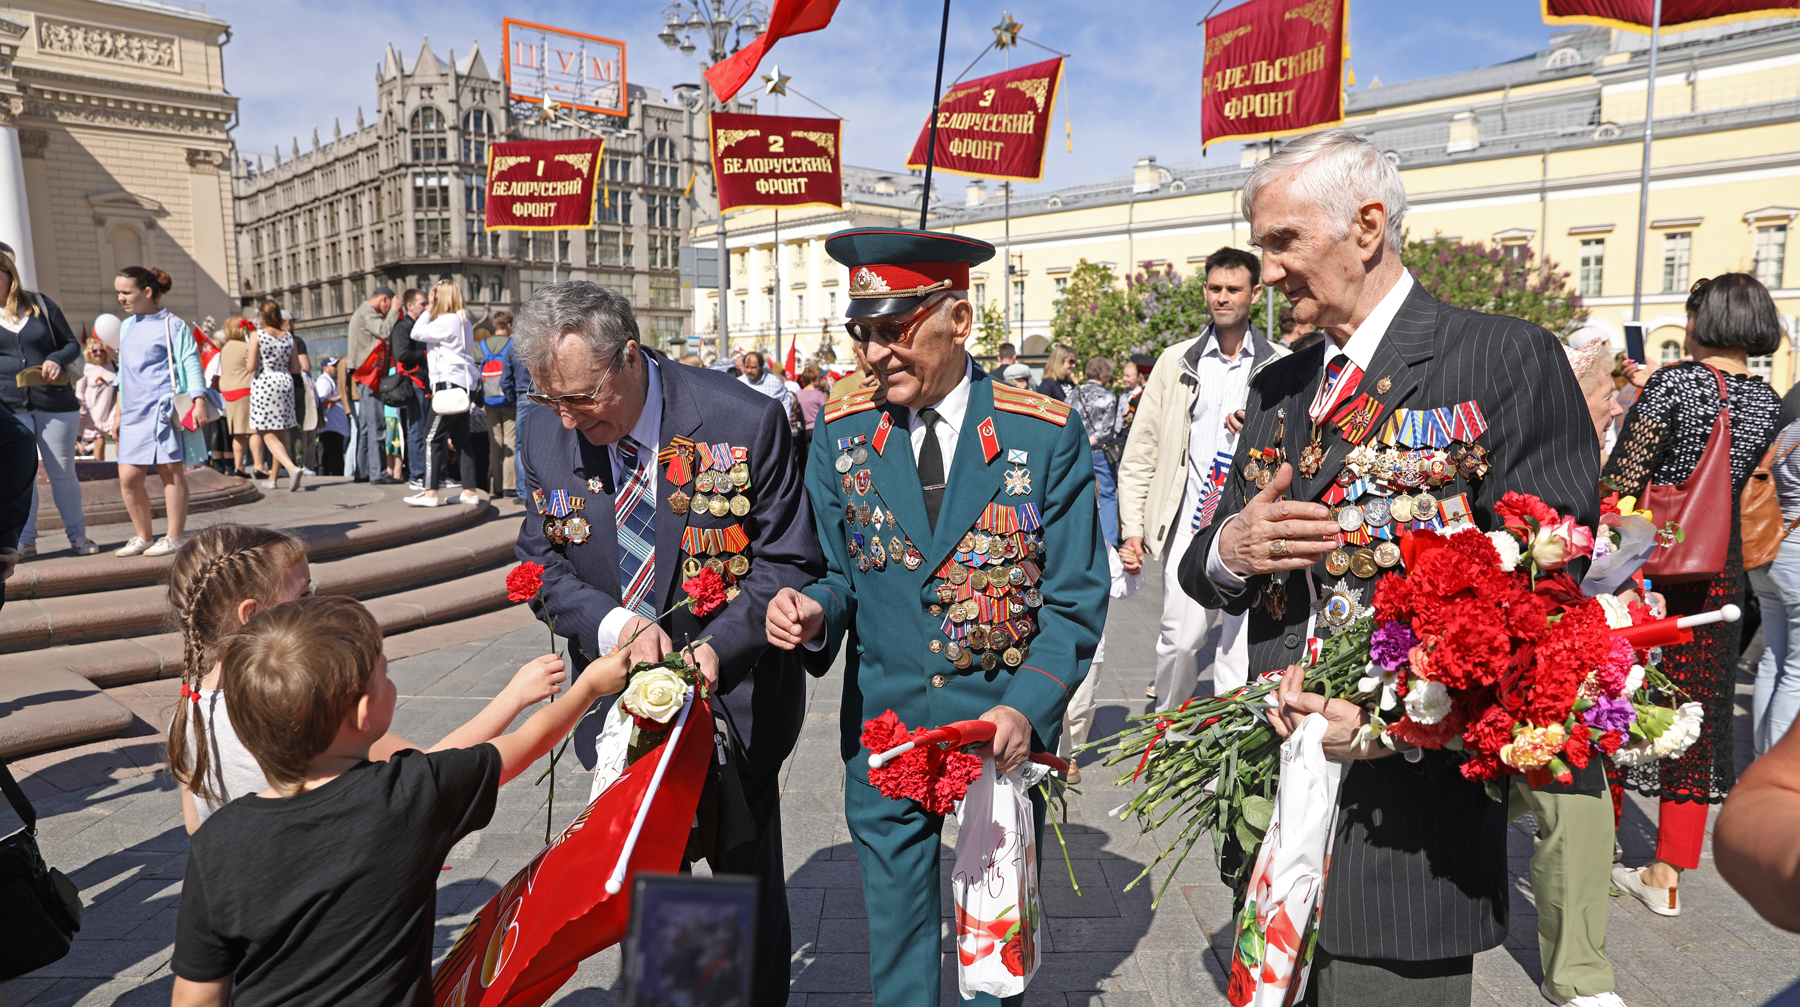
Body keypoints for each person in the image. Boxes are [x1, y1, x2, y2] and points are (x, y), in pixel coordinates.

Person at [1179, 129, 1599, 1005]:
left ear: (1367, 226)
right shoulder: (1278, 386)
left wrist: (1381, 726)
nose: (1269, 269)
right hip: (1275, 792)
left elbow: (1542, 602)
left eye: (1284, 241)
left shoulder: (1502, 357)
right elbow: (1204, 562)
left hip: (1407, 833)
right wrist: (1231, 547)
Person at [766, 227, 1107, 1007]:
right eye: (864, 334)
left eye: (896, 330)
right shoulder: (844, 433)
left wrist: (1027, 707)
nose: (877, 353)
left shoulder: (1041, 433)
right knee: (899, 954)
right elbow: (836, 573)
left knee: (992, 955)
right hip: (887, 728)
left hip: (999, 733)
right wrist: (811, 611)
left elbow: (1075, 597)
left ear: (958, 320)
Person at [512, 281, 824, 1006]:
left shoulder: (742, 420)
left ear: (628, 358)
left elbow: (788, 561)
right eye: (547, 398)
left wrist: (718, 645)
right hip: (623, 718)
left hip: (736, 709)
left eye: (581, 397)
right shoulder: (543, 435)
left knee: (744, 899)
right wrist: (618, 627)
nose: (565, 417)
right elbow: (542, 564)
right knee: (656, 901)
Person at [169, 594, 623, 1007]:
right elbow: (526, 744)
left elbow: (196, 996)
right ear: (365, 712)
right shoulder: (410, 794)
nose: (390, 683)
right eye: (384, 674)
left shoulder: (217, 841)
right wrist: (589, 689)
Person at [163, 523, 572, 831]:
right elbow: (430, 770)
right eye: (304, 595)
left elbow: (198, 826)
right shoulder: (300, 704)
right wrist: (515, 696)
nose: (316, 602)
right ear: (253, 615)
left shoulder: (191, 705)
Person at [1604, 273, 1783, 916]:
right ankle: (1668, 874)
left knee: (1620, 694)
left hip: (1654, 558)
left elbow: (1624, 476)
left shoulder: (1674, 382)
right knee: (1697, 711)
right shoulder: (1766, 398)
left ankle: (1598, 851)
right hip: (1722, 566)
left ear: (1702, 320)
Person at [1496, 337, 1626, 1007]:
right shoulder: (1530, 443)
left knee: (1575, 784)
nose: (1616, 405)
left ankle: (1578, 974)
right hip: (1493, 638)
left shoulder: (1589, 450)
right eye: (1608, 395)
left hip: (1557, 646)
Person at [1117, 246, 1282, 708]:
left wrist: (1260, 427)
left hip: (1253, 529)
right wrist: (1132, 529)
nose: (1222, 298)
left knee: (1235, 651)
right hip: (1192, 527)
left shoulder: (1282, 363)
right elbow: (1141, 451)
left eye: (1233, 289)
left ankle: (1222, 749)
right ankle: (1168, 727)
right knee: (1181, 642)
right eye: (1215, 288)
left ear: (1254, 292)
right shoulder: (1175, 362)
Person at [0, 244, 91, 556]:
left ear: (8, 276)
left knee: (63, 470)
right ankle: (24, 540)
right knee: (22, 473)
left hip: (54, 401)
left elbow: (71, 344)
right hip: (9, 405)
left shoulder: (40, 305)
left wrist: (54, 358)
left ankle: (78, 536)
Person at [111, 266, 203, 558]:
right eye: (118, 292)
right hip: (134, 412)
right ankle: (144, 536)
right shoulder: (127, 326)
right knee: (128, 477)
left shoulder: (173, 324)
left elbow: (191, 362)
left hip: (163, 410)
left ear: (146, 292)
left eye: (126, 292)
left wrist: (198, 400)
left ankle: (174, 537)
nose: (120, 298)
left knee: (170, 472)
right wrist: (118, 412)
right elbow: (123, 375)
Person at [404, 282, 480, 507]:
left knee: (430, 437)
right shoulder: (464, 320)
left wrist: (428, 309)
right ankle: (469, 490)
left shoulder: (447, 321)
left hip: (449, 385)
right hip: (465, 385)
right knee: (461, 439)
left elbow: (416, 332)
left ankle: (430, 492)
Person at [1751, 415, 1800, 757]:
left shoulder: (1791, 429)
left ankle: (1758, 768)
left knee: (1774, 659)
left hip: (1767, 550)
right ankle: (1774, 782)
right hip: (1795, 555)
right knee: (1796, 674)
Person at [245, 300, 304, 492]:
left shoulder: (258, 335)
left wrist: (249, 356)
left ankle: (291, 467)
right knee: (281, 432)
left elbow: (251, 367)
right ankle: (272, 478)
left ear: (262, 316)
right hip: (285, 382)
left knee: (266, 432)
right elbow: (296, 368)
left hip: (265, 383)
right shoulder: (288, 337)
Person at [344, 285, 396, 484]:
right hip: (369, 375)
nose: (389, 310)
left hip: (363, 375)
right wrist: (393, 312)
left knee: (366, 426)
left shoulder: (361, 312)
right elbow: (383, 331)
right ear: (384, 299)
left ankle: (363, 470)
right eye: (389, 305)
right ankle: (378, 472)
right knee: (376, 425)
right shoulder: (367, 312)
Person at [1070, 356, 1121, 546]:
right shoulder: (1108, 396)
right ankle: (1108, 544)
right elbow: (1107, 430)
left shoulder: (1073, 394)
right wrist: (1091, 442)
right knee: (1107, 495)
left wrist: (1081, 443)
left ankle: (1081, 540)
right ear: (1104, 373)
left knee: (1080, 495)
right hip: (1099, 452)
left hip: (1077, 451)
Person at [389, 288, 431, 489]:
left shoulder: (418, 325)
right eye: (423, 304)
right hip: (413, 383)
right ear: (410, 306)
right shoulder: (402, 327)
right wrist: (427, 354)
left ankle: (423, 472)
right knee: (416, 429)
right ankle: (417, 474)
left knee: (422, 429)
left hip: (422, 383)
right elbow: (402, 354)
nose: (426, 307)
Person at [477, 310, 517, 498]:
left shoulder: (482, 345)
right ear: (509, 326)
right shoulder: (513, 345)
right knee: (511, 441)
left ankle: (497, 487)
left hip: (489, 399)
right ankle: (510, 487)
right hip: (509, 400)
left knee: (495, 444)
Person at [217, 320, 254, 476]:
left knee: (237, 433)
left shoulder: (224, 349)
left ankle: (239, 466)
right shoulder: (245, 347)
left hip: (229, 394)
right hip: (246, 390)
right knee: (254, 432)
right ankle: (259, 465)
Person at [76, 338, 117, 461]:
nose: (98, 353)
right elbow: (80, 390)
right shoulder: (86, 368)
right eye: (95, 351)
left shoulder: (113, 365)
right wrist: (80, 406)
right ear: (89, 352)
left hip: (110, 409)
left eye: (102, 350)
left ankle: (118, 466)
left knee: (116, 437)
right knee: (99, 441)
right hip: (92, 410)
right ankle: (99, 468)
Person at [315, 357, 349, 476]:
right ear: (325, 368)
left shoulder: (333, 380)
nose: (337, 369)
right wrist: (340, 397)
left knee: (333, 458)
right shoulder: (324, 381)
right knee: (334, 460)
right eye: (334, 366)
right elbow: (321, 401)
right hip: (330, 428)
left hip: (336, 428)